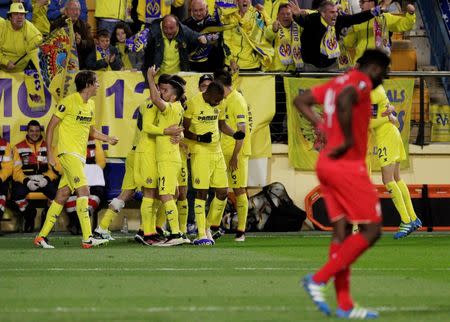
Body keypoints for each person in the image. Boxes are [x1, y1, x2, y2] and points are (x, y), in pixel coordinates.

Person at [294, 49, 390, 318]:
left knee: (343, 231)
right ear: (374, 68)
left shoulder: (336, 82)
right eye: (384, 70)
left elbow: (300, 100)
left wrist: (322, 126)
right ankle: (319, 279)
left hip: (326, 163)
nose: (385, 76)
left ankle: (345, 304)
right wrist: (347, 139)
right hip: (347, 165)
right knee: (372, 230)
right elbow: (348, 101)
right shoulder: (360, 81)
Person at [34, 71, 119, 249]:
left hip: (79, 156)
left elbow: (91, 131)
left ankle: (41, 237)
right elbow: (50, 128)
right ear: (88, 84)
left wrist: (108, 138)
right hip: (68, 153)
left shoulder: (91, 105)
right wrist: (50, 153)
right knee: (84, 191)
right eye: (96, 82)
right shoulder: (68, 102)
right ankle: (88, 238)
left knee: (63, 195)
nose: (98, 85)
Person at [183, 81, 245, 245]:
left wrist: (234, 134)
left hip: (216, 152)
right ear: (208, 93)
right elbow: (185, 129)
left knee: (223, 193)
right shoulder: (193, 103)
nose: (218, 102)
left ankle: (208, 226)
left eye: (220, 100)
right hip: (200, 152)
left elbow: (222, 125)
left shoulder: (220, 103)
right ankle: (201, 234)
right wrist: (199, 138)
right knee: (202, 193)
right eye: (216, 100)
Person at [369, 84, 421, 239]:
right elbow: (386, 111)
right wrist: (389, 114)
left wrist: (386, 116)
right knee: (397, 177)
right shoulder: (377, 88)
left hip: (386, 137)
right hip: (392, 133)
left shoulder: (371, 93)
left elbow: (370, 122)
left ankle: (405, 220)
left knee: (388, 179)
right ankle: (413, 218)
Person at [146, 66, 189, 246]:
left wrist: (149, 78)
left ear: (173, 96)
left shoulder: (171, 108)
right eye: (161, 89)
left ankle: (177, 233)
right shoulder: (177, 107)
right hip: (172, 157)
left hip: (167, 158)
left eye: (165, 90)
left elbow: (155, 98)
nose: (161, 92)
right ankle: (177, 231)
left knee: (164, 195)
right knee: (173, 193)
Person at [213, 69, 251, 242]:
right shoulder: (224, 100)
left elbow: (242, 132)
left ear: (221, 85)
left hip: (237, 153)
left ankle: (241, 231)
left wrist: (235, 155)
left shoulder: (238, 101)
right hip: (223, 151)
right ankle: (213, 226)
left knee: (239, 189)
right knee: (220, 189)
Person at [288, 0, 382, 70]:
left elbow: (356, 18)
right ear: (323, 14)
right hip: (310, 66)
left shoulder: (339, 20)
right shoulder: (313, 19)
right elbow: (301, 21)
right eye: (332, 12)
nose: (335, 15)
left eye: (336, 12)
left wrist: (374, 11)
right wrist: (297, 15)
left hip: (330, 66)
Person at [12, 120, 58, 233]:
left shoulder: (48, 147)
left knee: (56, 195)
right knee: (16, 194)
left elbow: (55, 169)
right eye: (31, 131)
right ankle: (29, 215)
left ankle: (46, 215)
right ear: (27, 132)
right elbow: (16, 171)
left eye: (37, 131)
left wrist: (46, 179)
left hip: (43, 179)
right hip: (26, 180)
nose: (34, 133)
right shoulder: (18, 147)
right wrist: (27, 181)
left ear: (40, 132)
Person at [57, 139, 106, 235]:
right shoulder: (66, 140)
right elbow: (58, 165)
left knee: (98, 193)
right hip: (72, 174)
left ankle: (77, 224)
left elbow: (101, 162)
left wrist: (87, 171)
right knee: (69, 193)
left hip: (91, 177)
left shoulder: (94, 142)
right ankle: (76, 222)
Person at [344, 0, 416, 62]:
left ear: (372, 2)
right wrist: (348, 28)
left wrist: (410, 14)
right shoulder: (357, 21)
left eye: (362, 1)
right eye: (360, 1)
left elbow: (405, 24)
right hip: (361, 66)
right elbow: (348, 43)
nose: (360, 4)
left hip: (379, 66)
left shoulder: (385, 18)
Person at [142, 14, 207, 79]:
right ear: (161, 25)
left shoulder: (184, 30)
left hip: (178, 78)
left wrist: (202, 38)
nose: (168, 31)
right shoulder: (153, 32)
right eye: (165, 28)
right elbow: (137, 49)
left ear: (178, 26)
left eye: (171, 28)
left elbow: (196, 36)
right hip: (157, 78)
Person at [50, 0, 94, 70]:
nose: (75, 12)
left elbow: (91, 45)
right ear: (66, 11)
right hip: (60, 63)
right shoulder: (56, 25)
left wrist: (81, 42)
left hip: (80, 64)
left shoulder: (85, 26)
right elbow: (51, 45)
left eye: (77, 9)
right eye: (72, 9)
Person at [0, 2, 42, 72]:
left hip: (22, 71)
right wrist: (5, 62)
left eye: (22, 14)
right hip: (2, 69)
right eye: (16, 14)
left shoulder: (30, 28)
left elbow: (39, 45)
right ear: (10, 17)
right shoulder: (2, 27)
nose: (20, 17)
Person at [183, 0, 224, 72]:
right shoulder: (185, 25)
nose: (198, 13)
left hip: (213, 67)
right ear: (191, 10)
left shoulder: (216, 23)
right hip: (192, 67)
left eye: (201, 10)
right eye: (195, 10)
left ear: (207, 8)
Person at [264, 3, 303, 72]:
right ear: (277, 15)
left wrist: (301, 14)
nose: (285, 16)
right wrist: (274, 30)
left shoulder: (299, 27)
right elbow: (267, 36)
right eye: (282, 14)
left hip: (293, 71)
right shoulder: (273, 26)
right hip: (275, 72)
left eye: (288, 14)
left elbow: (315, 14)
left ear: (292, 15)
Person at [0, 135, 13, 235]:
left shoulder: (5, 145)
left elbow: (8, 167)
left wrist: (0, 178)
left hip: (1, 178)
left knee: (2, 190)